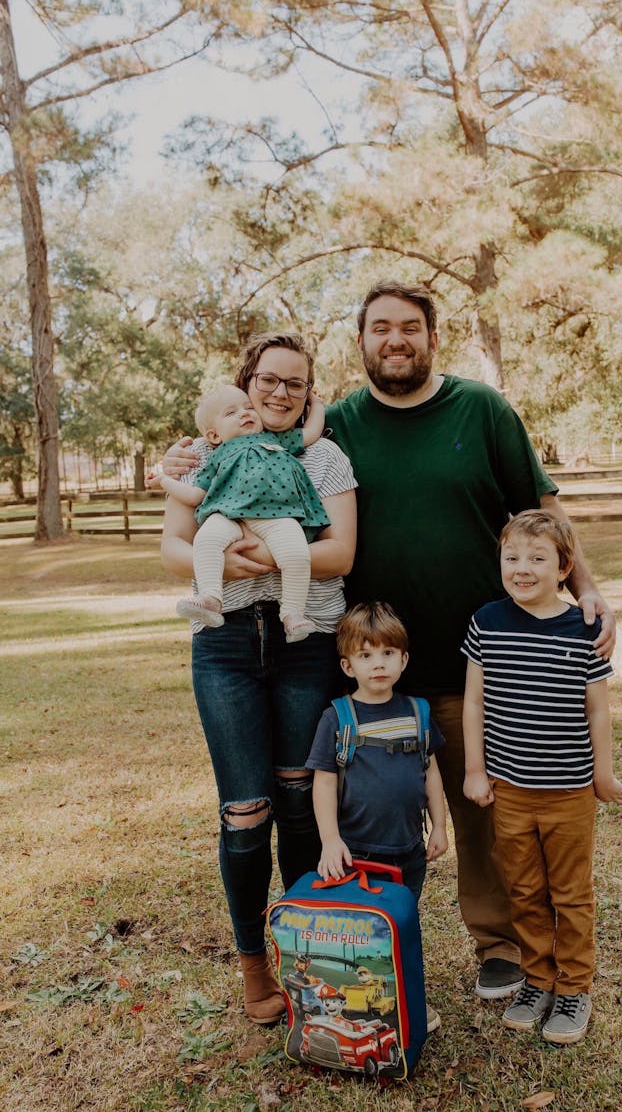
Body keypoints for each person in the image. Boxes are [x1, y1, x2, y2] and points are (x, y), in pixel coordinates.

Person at [162, 280, 615, 1002]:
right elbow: (244, 460)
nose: (395, 339)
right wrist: (192, 453)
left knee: (481, 807)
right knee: (362, 809)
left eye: (410, 326)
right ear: (362, 341)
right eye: (380, 328)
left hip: (476, 657)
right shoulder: (341, 422)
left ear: (432, 337)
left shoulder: (482, 408)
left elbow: (541, 510)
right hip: (371, 665)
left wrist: (584, 585)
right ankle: (344, 939)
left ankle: (499, 946)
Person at [159, 331, 357, 1024]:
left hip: (307, 643)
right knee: (246, 810)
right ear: (246, 384)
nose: (278, 392)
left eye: (294, 384)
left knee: (302, 799)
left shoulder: (325, 457)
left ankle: (313, 955)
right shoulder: (204, 454)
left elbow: (341, 548)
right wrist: (229, 563)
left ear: (308, 395)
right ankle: (253, 963)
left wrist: (270, 560)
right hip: (228, 646)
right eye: (268, 379)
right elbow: (172, 547)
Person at [462, 510, 622, 1044]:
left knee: (570, 893)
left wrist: (601, 773)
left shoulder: (582, 628)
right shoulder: (487, 622)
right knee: (525, 889)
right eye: (512, 558)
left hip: (569, 791)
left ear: (564, 568)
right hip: (510, 790)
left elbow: (597, 710)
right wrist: (474, 770)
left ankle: (574, 988)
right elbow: (474, 702)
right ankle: (538, 979)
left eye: (537, 559)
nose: (522, 568)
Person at [305, 601, 448, 1032]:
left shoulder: (417, 713)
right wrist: (330, 840)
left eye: (387, 653)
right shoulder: (337, 718)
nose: (378, 664)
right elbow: (324, 782)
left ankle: (404, 1004)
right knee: (358, 938)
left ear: (403, 660)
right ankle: (355, 1008)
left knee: (399, 930)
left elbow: (432, 773)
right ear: (348, 666)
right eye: (366, 656)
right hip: (357, 854)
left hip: (408, 852)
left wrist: (440, 826)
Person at [151, 383, 330, 642]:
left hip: (278, 515)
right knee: (206, 541)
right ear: (214, 435)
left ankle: (292, 614)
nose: (244, 413)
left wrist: (318, 405)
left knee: (297, 554)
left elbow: (312, 432)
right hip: (227, 514)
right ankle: (210, 599)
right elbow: (195, 496)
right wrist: (164, 481)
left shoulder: (276, 439)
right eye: (231, 413)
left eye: (248, 408)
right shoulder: (214, 456)